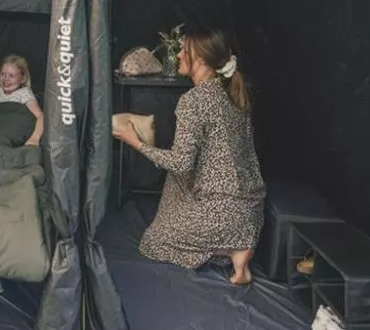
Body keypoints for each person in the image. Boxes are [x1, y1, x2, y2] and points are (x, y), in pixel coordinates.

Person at [112, 29, 265, 286]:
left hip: (220, 215)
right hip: (250, 214)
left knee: (152, 243)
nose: (179, 55)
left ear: (201, 59)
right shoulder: (235, 93)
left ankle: (229, 249)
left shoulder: (193, 101)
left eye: (185, 51)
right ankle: (239, 253)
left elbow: (181, 164)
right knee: (186, 176)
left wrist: (136, 143)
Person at [0, 55, 44, 147]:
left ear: (23, 79)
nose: (5, 79)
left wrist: (34, 139)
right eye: (3, 74)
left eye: (11, 75)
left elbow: (41, 116)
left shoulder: (24, 93)